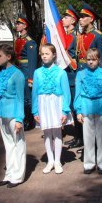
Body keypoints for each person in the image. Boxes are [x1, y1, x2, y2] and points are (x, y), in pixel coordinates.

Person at [32, 43, 71, 174]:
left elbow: (66, 93)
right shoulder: (37, 72)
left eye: (47, 53)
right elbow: (35, 93)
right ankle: (50, 160)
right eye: (42, 54)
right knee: (47, 134)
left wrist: (65, 110)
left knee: (57, 133)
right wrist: (35, 110)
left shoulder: (61, 72)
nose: (44, 56)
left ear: (54, 55)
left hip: (57, 104)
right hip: (43, 105)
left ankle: (58, 161)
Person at [74, 48, 102, 174]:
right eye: (88, 59)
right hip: (86, 107)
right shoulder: (80, 74)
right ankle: (89, 164)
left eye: (93, 59)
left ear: (99, 60)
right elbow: (78, 94)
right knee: (88, 138)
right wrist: (78, 110)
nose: (91, 62)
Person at [0, 44, 26, 188]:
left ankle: (18, 176)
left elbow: (20, 98)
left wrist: (19, 119)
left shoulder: (18, 74)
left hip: (13, 115)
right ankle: (10, 173)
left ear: (9, 57)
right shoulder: (0, 74)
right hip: (2, 115)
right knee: (8, 145)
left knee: (18, 144)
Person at [61, 4, 83, 149]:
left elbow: (77, 59)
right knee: (69, 106)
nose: (63, 19)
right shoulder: (64, 36)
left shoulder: (76, 37)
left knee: (77, 108)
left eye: (66, 17)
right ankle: (77, 135)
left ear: (73, 21)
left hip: (73, 76)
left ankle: (81, 137)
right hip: (65, 77)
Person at [14, 14, 38, 131]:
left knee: (28, 98)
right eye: (17, 24)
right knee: (21, 96)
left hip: (27, 70)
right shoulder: (18, 40)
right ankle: (24, 119)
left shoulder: (30, 42)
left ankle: (30, 120)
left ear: (25, 25)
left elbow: (33, 61)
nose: (17, 25)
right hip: (19, 70)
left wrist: (31, 78)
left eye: (19, 24)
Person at [77, 3, 102, 70]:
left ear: (91, 19)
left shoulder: (99, 36)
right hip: (80, 72)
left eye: (83, 17)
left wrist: (99, 77)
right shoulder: (81, 36)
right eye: (80, 17)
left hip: (93, 72)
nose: (80, 19)